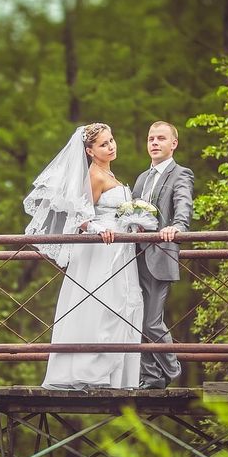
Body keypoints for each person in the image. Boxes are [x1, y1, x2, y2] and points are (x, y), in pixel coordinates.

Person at [23, 123, 144, 390]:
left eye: (112, 140)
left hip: (121, 251)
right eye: (103, 144)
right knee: (102, 304)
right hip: (102, 251)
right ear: (89, 151)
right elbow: (81, 218)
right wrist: (100, 228)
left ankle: (117, 375)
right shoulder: (94, 176)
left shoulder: (110, 174)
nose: (111, 146)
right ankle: (92, 371)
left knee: (124, 303)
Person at [131, 121, 194, 390]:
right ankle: (151, 377)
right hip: (134, 256)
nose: (154, 143)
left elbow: (183, 204)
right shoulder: (142, 179)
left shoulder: (181, 174)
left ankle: (171, 366)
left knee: (151, 321)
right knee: (135, 320)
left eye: (160, 138)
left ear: (173, 144)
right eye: (150, 138)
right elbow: (131, 211)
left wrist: (177, 226)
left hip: (159, 255)